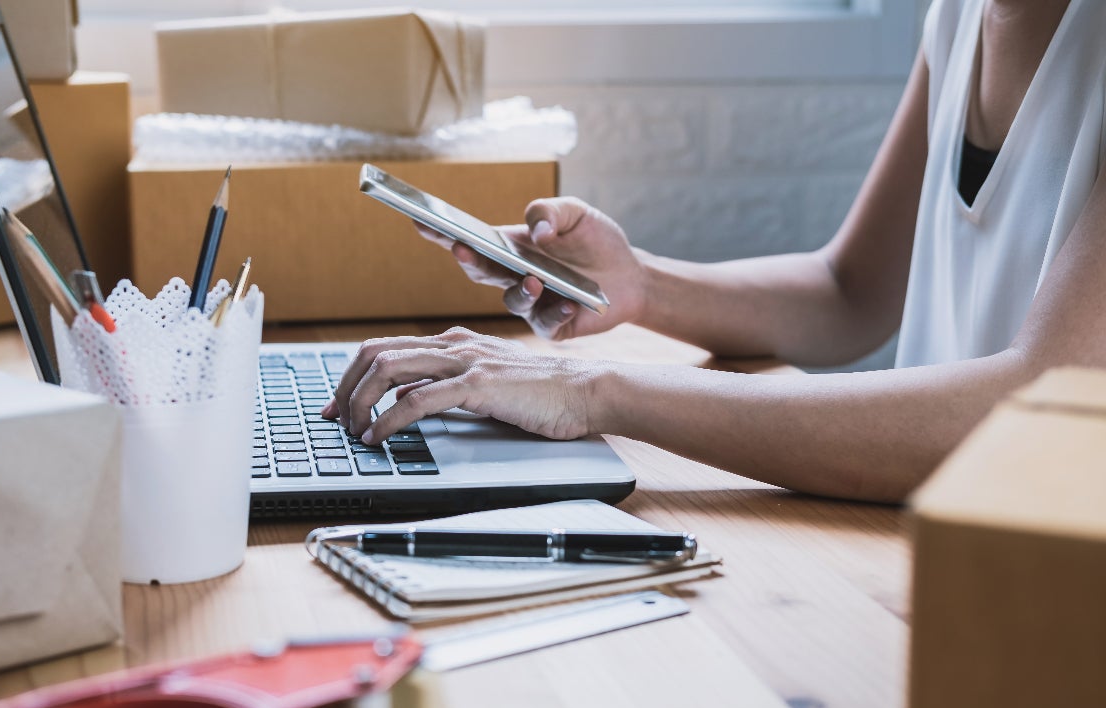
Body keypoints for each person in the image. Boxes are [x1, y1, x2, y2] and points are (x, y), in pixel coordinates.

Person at [323, 0, 1106, 503]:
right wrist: (642, 286)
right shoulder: (958, 17)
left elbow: (1036, 411)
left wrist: (595, 390)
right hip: (931, 557)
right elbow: (850, 293)